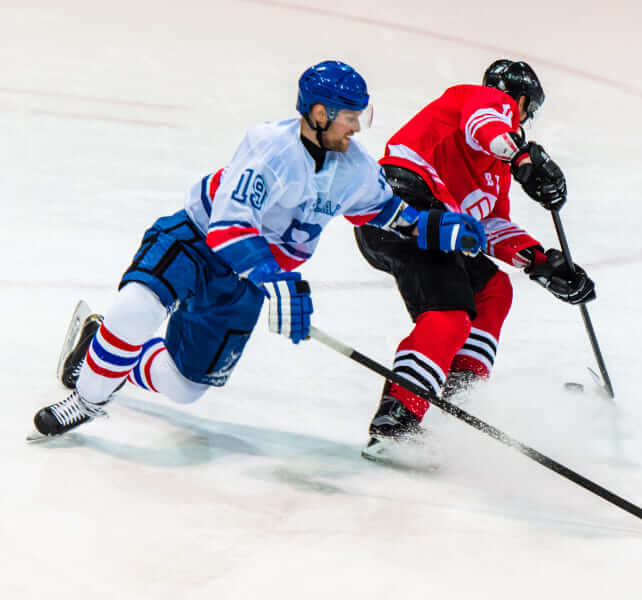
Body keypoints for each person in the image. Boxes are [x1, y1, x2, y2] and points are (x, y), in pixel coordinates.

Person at [32, 60, 486, 438]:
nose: (356, 125)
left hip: (248, 278)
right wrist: (276, 279)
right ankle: (85, 402)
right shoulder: (269, 146)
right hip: (197, 240)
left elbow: (387, 215)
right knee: (136, 307)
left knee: (185, 386)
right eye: (349, 115)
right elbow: (228, 229)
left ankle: (100, 347)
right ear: (320, 113)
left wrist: (440, 228)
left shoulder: (357, 168)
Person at [356, 59, 596, 462]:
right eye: (526, 113)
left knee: (492, 288)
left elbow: (490, 225)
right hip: (404, 208)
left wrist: (543, 263)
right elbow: (484, 123)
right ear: (520, 101)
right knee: (450, 313)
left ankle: (461, 389)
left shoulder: (494, 174)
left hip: (439, 226)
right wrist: (522, 157)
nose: (522, 120)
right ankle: (395, 422)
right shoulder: (482, 100)